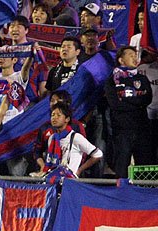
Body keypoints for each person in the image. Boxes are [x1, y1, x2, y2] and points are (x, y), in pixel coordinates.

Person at [105, 45, 154, 177]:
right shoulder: (112, 80)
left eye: (135, 55)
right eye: (131, 55)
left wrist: (127, 100)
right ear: (121, 60)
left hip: (142, 127)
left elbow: (147, 98)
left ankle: (144, 189)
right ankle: (121, 189)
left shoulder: (142, 78)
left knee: (144, 165)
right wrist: (137, 103)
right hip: (122, 129)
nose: (134, 58)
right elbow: (115, 104)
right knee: (122, 164)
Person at [32, 101, 102, 177]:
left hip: (69, 180)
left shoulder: (75, 137)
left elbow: (98, 154)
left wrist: (79, 170)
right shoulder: (52, 138)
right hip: (53, 179)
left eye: (58, 115)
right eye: (52, 115)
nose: (54, 118)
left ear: (67, 119)